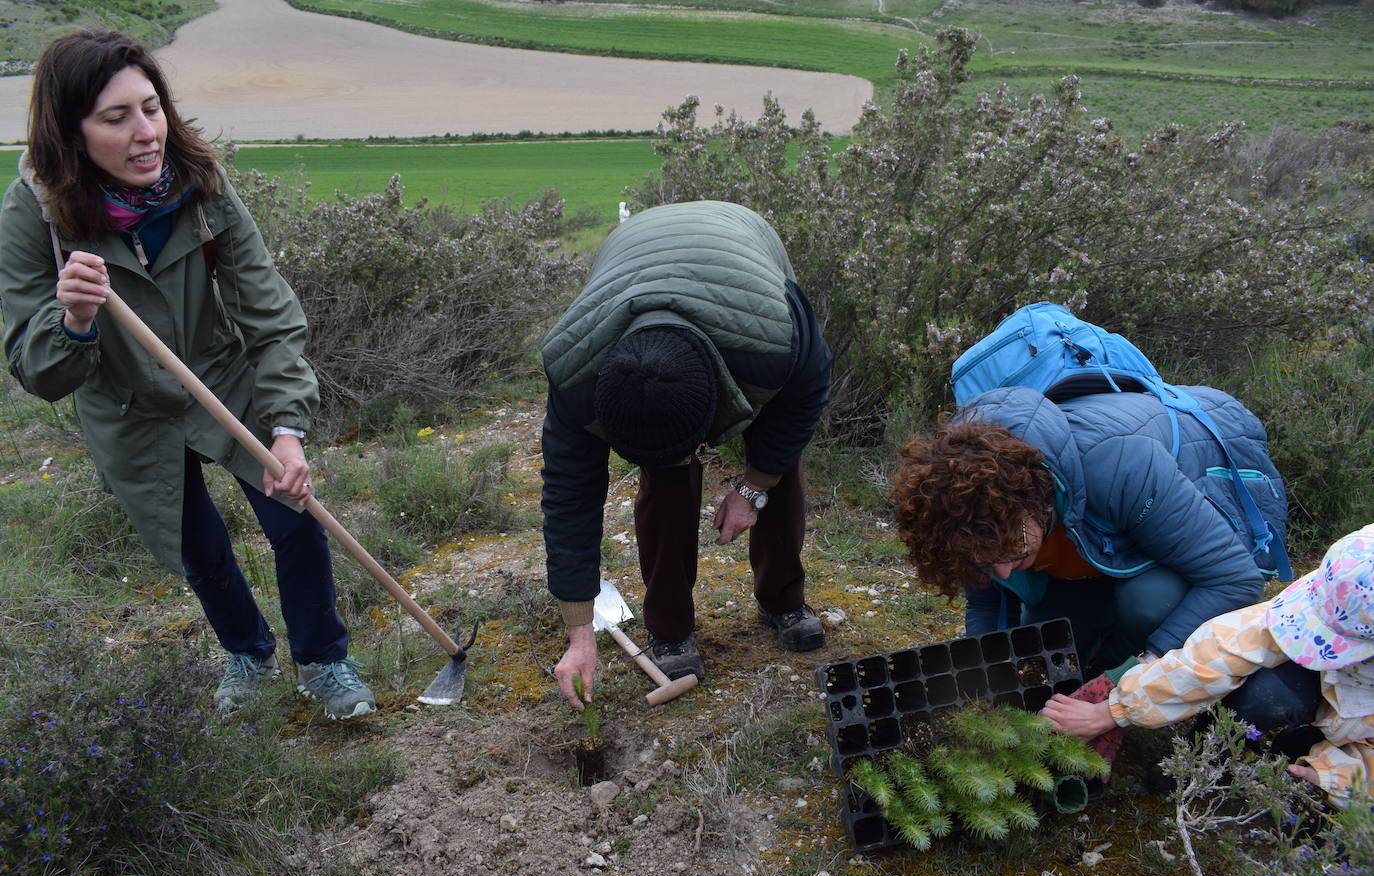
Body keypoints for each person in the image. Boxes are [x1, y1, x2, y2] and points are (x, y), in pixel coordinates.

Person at [0, 29, 375, 719]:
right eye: (116, 119)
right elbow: (38, 370)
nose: (146, 133)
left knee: (294, 517)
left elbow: (270, 312)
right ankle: (247, 650)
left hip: (220, 376)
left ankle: (324, 662)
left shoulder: (198, 182)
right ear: (70, 132)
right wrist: (75, 321)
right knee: (195, 542)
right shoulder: (37, 217)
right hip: (125, 405)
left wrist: (287, 427)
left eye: (152, 107)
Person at [541, 200, 832, 707]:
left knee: (778, 464)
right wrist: (579, 632)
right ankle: (670, 627)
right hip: (629, 261)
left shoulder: (772, 340)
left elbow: (801, 404)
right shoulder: (576, 377)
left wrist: (754, 486)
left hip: (739, 244)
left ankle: (783, 598)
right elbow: (570, 500)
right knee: (667, 483)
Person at [889, 383, 1288, 676]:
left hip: (1191, 513)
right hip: (1100, 549)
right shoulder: (970, 511)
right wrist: (986, 671)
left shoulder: (1117, 466)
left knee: (1149, 601)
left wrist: (1128, 681)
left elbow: (1234, 580)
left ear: (1033, 497)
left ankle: (1125, 653)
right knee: (1045, 645)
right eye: (988, 563)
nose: (1004, 573)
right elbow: (986, 602)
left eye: (1012, 552)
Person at [1043, 523, 1374, 810]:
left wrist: (1335, 774)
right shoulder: (1354, 577)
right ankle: (1200, 757)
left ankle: (1293, 751)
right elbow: (1219, 652)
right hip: (1344, 698)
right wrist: (1114, 710)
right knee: (1267, 696)